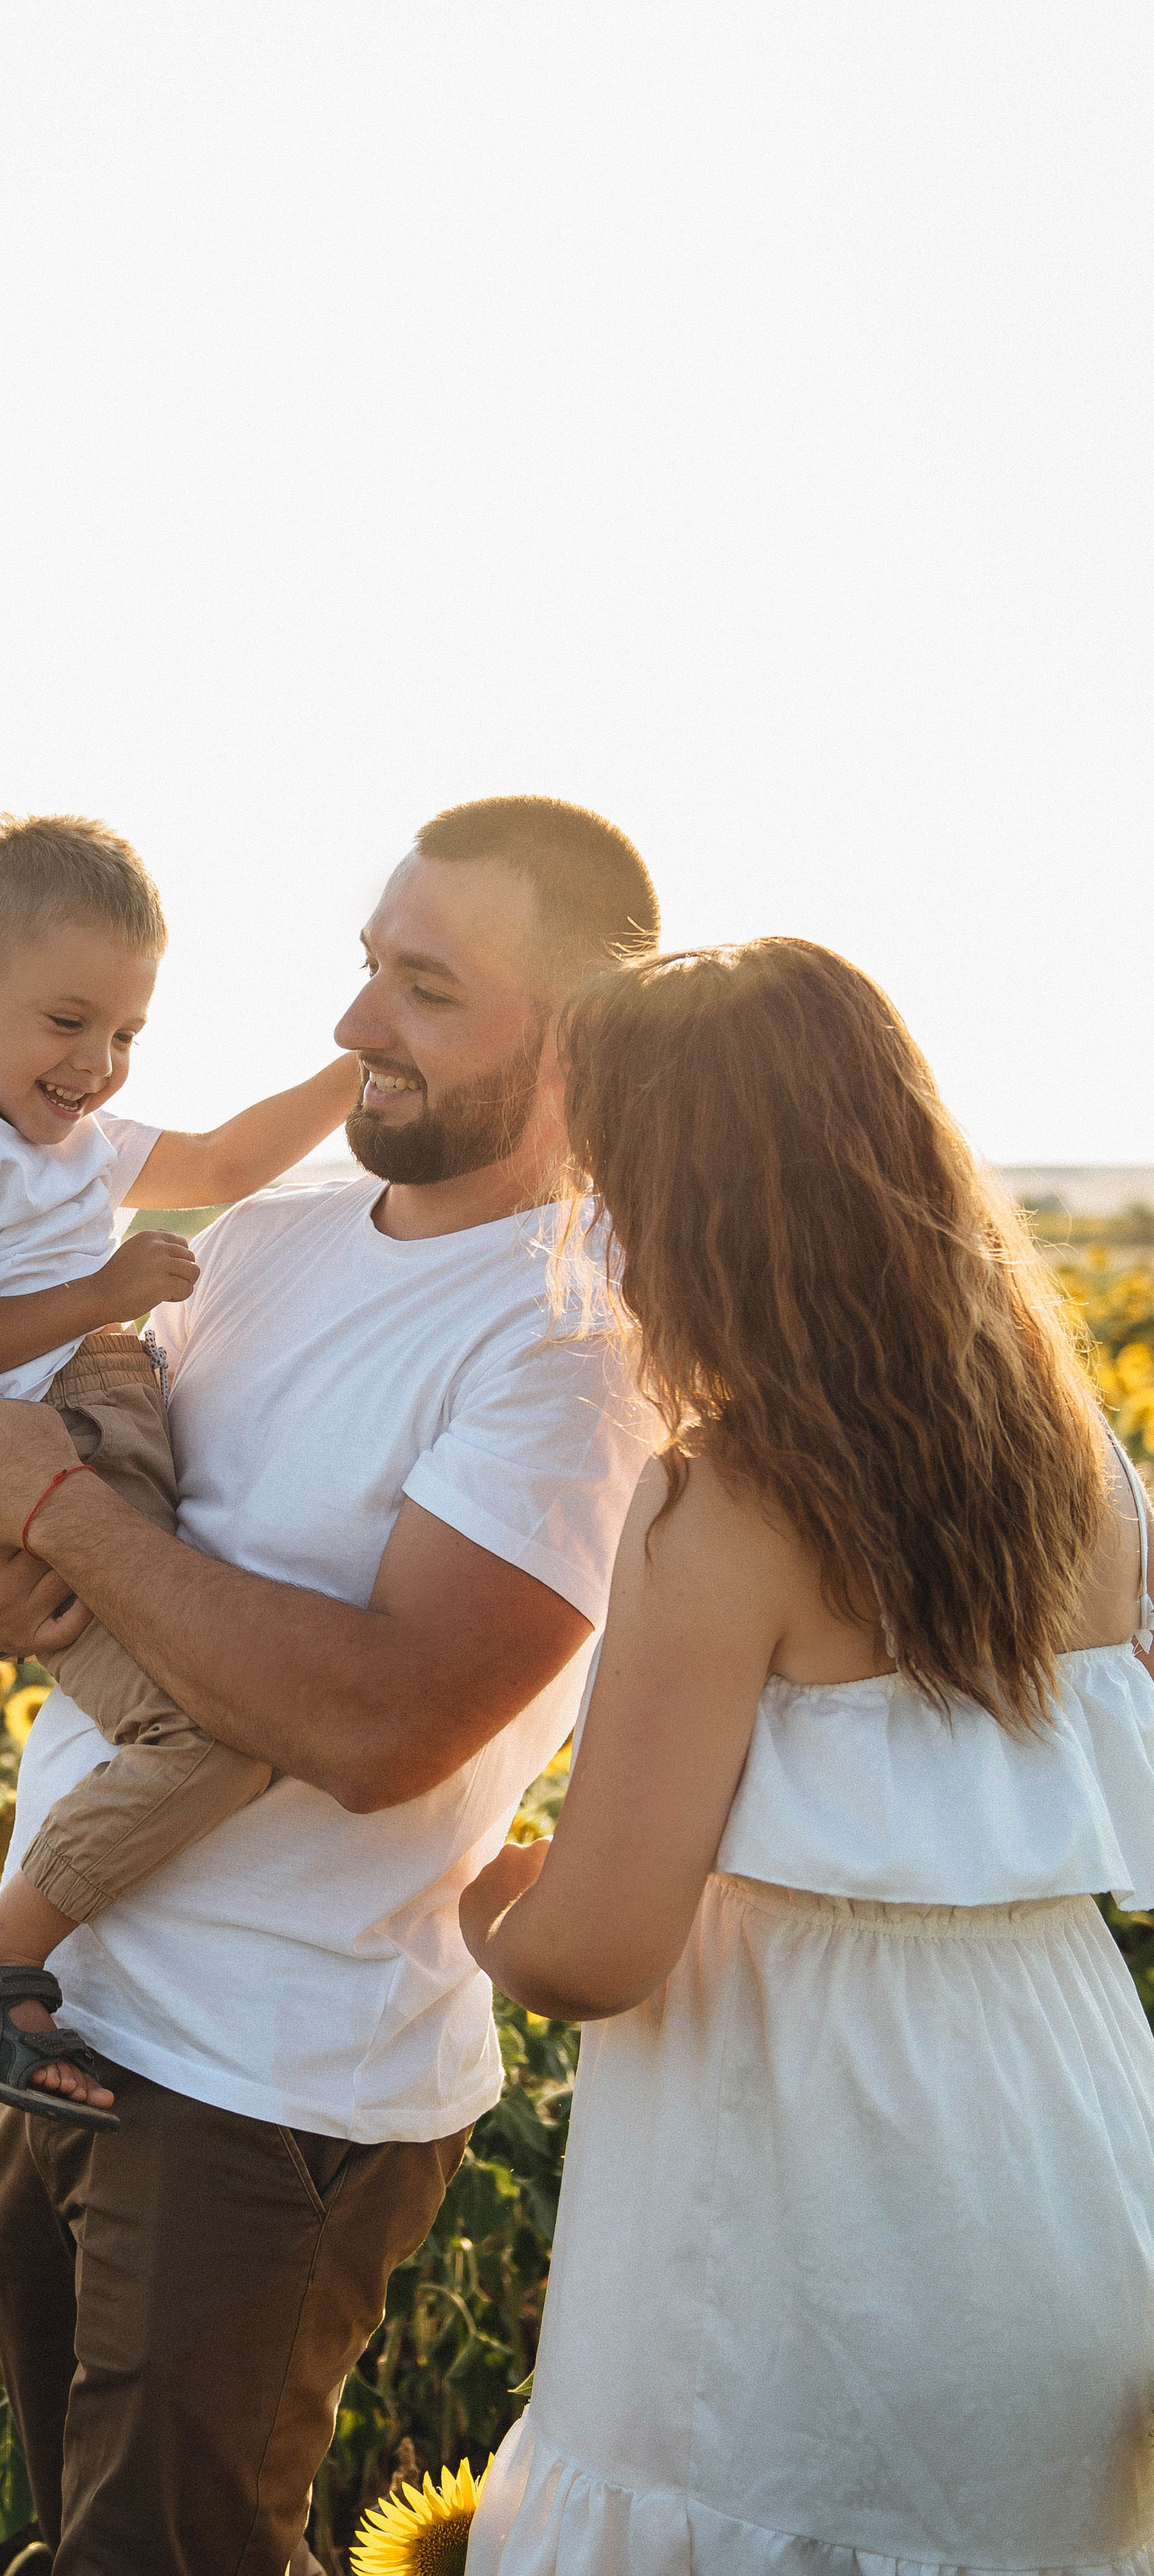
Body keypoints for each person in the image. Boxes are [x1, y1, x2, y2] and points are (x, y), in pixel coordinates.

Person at [0, 796, 660, 2575]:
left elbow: (380, 1724)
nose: (353, 1026)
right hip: (65, 2023)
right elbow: (35, 1504)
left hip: (265, 2088)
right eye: (365, 967)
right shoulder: (272, 1232)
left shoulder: (574, 1335)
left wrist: (64, 1519)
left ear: (580, 1038)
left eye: (421, 986)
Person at [461, 938, 1154, 2573]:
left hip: (812, 2199)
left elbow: (596, 1951)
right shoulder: (1081, 1463)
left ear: (679, 1205)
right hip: (1069, 2140)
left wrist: (459, 1888)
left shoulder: (727, 1504)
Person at [0, 812, 359, 2128]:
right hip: (50, 1463)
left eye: (127, 1035)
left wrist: (353, 1068)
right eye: (69, 1023)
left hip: (105, 1430)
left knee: (236, 1693)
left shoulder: (75, 1143)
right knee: (223, 1724)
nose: (99, 1066)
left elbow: (231, 1164)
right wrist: (98, 1293)